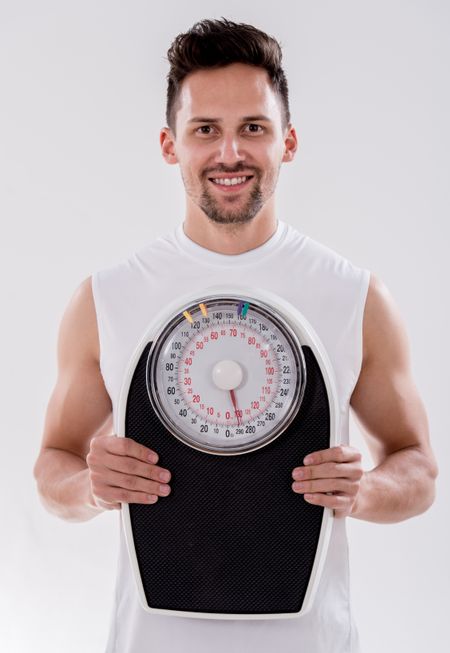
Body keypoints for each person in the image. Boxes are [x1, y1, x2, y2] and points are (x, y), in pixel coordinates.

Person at [33, 17, 438, 653]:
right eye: (205, 131)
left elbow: (419, 466)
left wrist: (368, 489)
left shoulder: (355, 295)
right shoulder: (106, 297)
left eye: (253, 127)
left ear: (289, 141)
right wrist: (88, 486)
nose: (229, 154)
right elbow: (52, 463)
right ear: (170, 145)